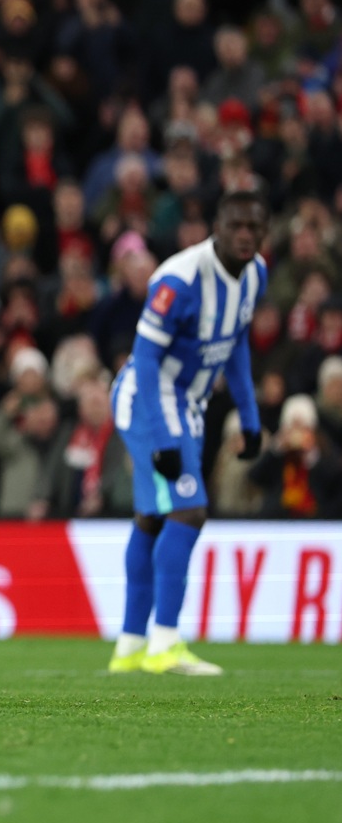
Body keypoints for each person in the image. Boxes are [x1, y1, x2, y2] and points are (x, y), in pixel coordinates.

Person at [107, 191, 268, 676]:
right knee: (189, 508)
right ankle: (165, 644)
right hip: (149, 397)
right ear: (216, 224)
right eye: (236, 224)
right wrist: (160, 441)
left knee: (153, 519)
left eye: (254, 226)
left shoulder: (256, 273)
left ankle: (131, 646)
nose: (245, 235)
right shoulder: (178, 280)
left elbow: (235, 347)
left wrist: (251, 416)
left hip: (189, 402)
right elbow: (147, 358)